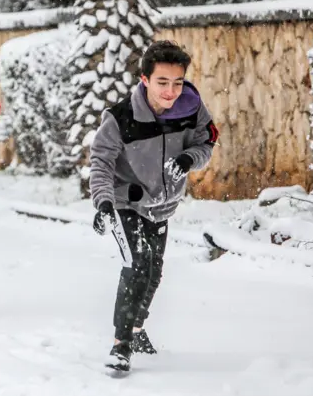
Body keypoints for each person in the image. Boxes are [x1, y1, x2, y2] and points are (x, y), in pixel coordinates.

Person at [89, 40, 219, 371]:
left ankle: (136, 326)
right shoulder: (121, 117)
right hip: (125, 201)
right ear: (145, 79)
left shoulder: (191, 110)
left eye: (177, 82)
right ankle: (122, 344)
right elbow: (101, 162)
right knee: (137, 263)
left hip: (163, 205)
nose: (171, 91)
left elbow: (207, 141)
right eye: (162, 82)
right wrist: (103, 202)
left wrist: (190, 157)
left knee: (154, 272)